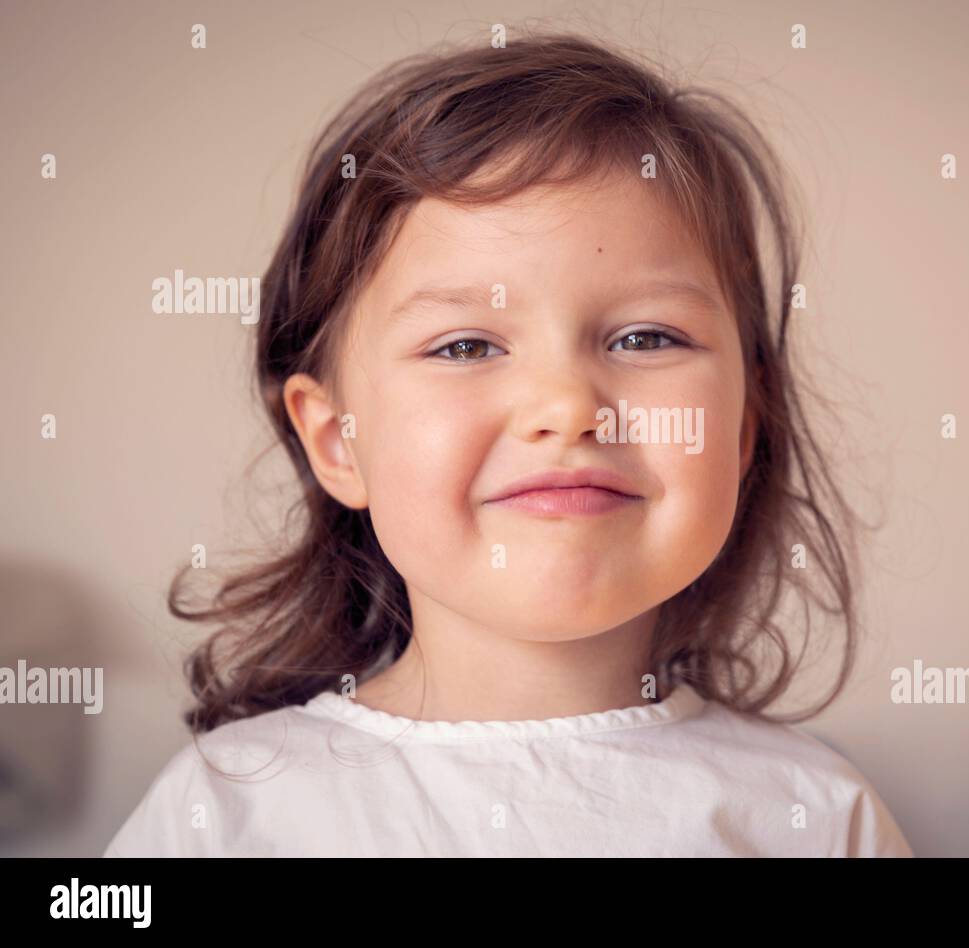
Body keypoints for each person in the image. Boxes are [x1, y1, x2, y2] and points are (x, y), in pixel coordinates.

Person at [104, 30, 912, 858]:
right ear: (338, 441)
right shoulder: (223, 813)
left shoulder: (818, 815)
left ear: (742, 429)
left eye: (644, 337)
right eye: (466, 347)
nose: (567, 407)